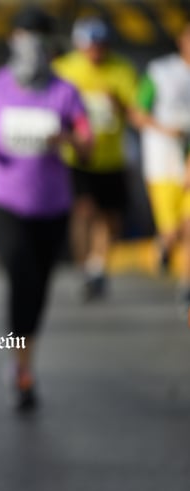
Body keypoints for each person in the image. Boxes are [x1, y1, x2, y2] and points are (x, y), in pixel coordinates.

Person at [0, 7, 92, 411]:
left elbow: (85, 139)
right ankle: (23, 373)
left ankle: (23, 358)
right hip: (3, 198)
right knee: (21, 273)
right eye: (24, 34)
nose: (31, 44)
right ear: (13, 40)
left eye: (39, 36)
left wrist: (71, 140)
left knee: (38, 286)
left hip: (52, 202)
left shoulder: (64, 90)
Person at [53, 16, 140, 301]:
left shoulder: (122, 69)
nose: (96, 52)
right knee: (84, 211)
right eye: (90, 46)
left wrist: (120, 105)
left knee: (110, 217)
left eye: (100, 46)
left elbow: (137, 110)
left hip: (112, 156)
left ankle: (97, 266)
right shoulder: (64, 70)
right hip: (77, 157)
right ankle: (85, 268)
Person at [137, 23, 190, 312]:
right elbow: (138, 112)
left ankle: (186, 287)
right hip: (163, 163)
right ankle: (163, 246)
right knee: (172, 232)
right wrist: (165, 129)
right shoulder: (161, 71)